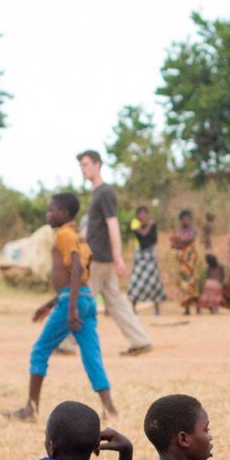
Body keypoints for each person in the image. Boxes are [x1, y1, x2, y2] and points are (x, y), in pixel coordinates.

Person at [11, 192, 119, 423]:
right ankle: (109, 408)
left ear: (65, 213)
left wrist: (70, 310)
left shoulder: (63, 234)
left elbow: (76, 270)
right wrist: (50, 304)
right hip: (86, 298)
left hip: (74, 300)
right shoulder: (78, 235)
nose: (48, 214)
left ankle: (30, 410)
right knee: (92, 355)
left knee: (40, 350)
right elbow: (75, 277)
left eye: (52, 210)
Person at [77, 149, 153, 356]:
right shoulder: (96, 193)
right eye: (81, 166)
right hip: (98, 255)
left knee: (81, 297)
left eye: (86, 165)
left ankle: (63, 342)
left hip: (100, 257)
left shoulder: (105, 192)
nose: (83, 169)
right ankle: (140, 340)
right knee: (115, 300)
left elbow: (113, 225)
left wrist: (118, 257)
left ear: (97, 164)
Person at [127, 205, 167, 317]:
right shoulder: (136, 225)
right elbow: (143, 235)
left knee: (155, 282)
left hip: (150, 256)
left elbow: (154, 240)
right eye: (141, 213)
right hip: (140, 257)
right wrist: (149, 224)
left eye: (144, 213)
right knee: (136, 282)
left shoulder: (153, 225)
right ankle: (133, 308)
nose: (143, 215)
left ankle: (157, 309)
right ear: (137, 215)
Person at [172, 209, 204, 314]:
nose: (186, 221)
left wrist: (179, 240)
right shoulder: (178, 231)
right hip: (182, 261)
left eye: (188, 219)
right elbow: (173, 244)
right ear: (181, 220)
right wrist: (179, 241)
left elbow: (190, 239)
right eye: (184, 219)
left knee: (194, 282)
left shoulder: (192, 230)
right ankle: (187, 308)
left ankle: (198, 307)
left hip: (192, 261)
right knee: (184, 284)